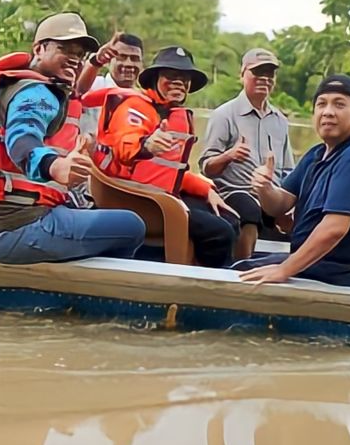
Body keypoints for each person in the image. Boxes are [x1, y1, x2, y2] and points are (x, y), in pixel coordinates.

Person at [0, 12, 145, 264]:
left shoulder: (26, 83)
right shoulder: (36, 93)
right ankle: (87, 292)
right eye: (65, 49)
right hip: (11, 229)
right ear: (40, 49)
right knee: (132, 226)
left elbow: (76, 92)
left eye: (79, 54)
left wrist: (95, 62)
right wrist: (55, 165)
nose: (75, 60)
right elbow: (22, 138)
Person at [235, 74, 350, 286]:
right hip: (316, 266)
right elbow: (279, 206)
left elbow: (334, 229)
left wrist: (284, 270)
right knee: (239, 268)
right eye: (321, 104)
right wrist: (264, 187)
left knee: (240, 276)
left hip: (342, 276)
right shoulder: (317, 154)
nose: (328, 112)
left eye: (339, 104)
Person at [89, 46, 239, 268]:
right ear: (155, 79)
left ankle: (197, 269)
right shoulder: (135, 106)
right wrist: (146, 144)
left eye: (184, 77)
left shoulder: (171, 112)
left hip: (160, 196)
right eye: (171, 76)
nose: (179, 82)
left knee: (229, 218)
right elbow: (125, 144)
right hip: (138, 201)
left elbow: (169, 171)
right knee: (220, 232)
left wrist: (206, 190)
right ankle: (206, 289)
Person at [199, 47, 296, 259]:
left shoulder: (280, 120)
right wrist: (229, 155)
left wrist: (290, 205)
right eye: (257, 72)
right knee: (249, 209)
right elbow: (206, 168)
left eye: (269, 73)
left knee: (305, 213)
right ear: (242, 74)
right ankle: (241, 269)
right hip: (235, 192)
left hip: (271, 195)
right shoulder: (224, 115)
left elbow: (289, 171)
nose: (264, 79)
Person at [76, 32, 145, 138]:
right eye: (121, 57)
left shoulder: (145, 99)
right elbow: (78, 90)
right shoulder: (94, 85)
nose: (128, 64)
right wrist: (96, 62)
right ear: (108, 61)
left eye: (134, 59)